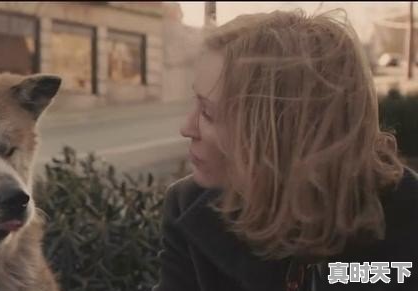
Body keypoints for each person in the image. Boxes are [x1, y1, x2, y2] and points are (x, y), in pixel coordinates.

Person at [153, 9, 418, 291]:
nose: (186, 127)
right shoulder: (188, 205)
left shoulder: (405, 221)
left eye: (207, 112)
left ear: (284, 130)